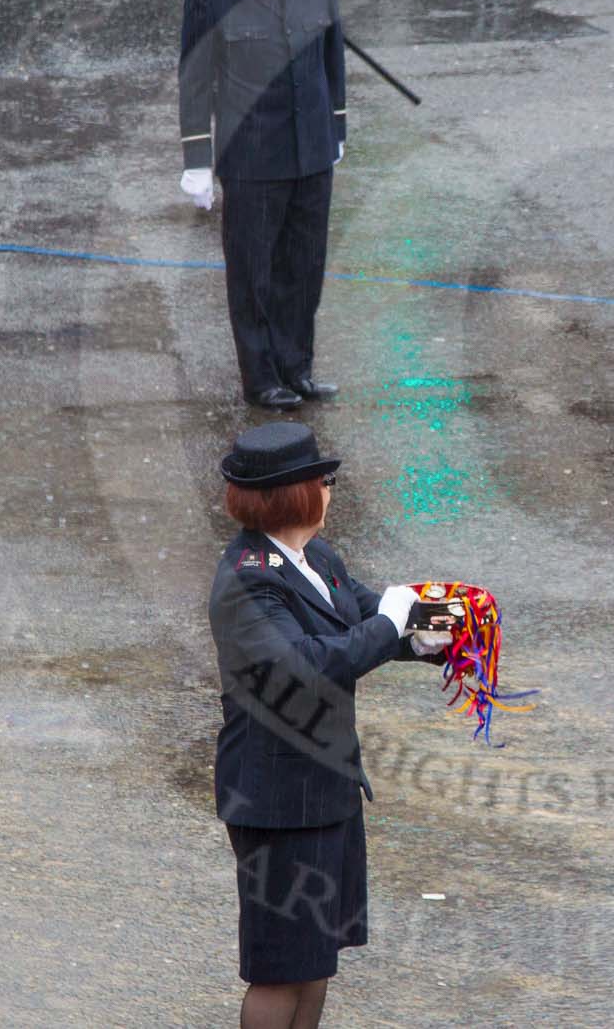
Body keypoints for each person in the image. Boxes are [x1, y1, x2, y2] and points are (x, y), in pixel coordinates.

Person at [208, 422, 449, 1029]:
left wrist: (432, 635)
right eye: (324, 481)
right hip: (277, 800)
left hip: (326, 788)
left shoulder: (316, 556)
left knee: (314, 962)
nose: (331, 490)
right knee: (279, 970)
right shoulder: (247, 580)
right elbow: (309, 667)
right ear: (295, 494)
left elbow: (366, 624)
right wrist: (392, 624)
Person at [179, 0, 347, 410]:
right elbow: (195, 81)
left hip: (311, 151)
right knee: (252, 273)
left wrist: (335, 130)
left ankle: (296, 366)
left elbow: (331, 58)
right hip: (251, 158)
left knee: (304, 267)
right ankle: (261, 376)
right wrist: (197, 161)